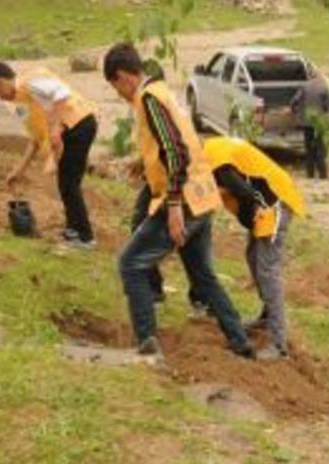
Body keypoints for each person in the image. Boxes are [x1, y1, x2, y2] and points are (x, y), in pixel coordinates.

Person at [103, 43, 253, 358]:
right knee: (202, 275)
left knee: (130, 263)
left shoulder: (147, 98)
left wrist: (172, 208)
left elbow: (175, 152)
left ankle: (146, 342)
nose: (118, 93)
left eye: (115, 86)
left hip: (182, 200)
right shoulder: (161, 91)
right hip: (201, 195)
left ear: (122, 77)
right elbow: (173, 142)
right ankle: (240, 341)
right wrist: (143, 163)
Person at [203, 137, 306, 360]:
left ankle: (279, 345)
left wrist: (256, 208)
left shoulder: (214, 160)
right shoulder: (212, 150)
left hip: (274, 201)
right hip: (266, 199)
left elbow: (244, 190)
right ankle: (267, 316)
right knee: (252, 257)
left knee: (268, 270)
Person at [0, 62, 97, 249]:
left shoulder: (29, 83)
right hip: (70, 129)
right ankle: (73, 231)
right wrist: (19, 170)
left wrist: (55, 128)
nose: (0, 96)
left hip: (78, 124)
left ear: (3, 81)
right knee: (66, 183)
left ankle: (85, 237)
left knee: (69, 183)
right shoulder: (20, 103)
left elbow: (61, 92)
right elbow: (36, 139)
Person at [292, 68, 329, 180]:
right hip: (320, 123)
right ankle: (323, 175)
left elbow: (294, 101)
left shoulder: (304, 86)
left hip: (307, 122)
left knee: (309, 148)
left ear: (311, 76)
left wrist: (295, 112)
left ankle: (310, 175)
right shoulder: (325, 87)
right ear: (320, 76)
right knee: (320, 148)